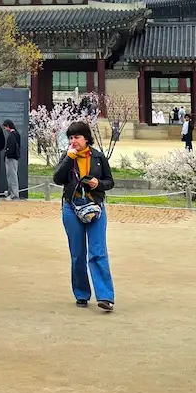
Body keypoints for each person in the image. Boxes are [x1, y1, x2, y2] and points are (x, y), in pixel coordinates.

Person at [54, 120, 115, 310]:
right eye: (71, 137)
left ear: (86, 138)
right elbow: (57, 179)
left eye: (77, 137)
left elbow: (110, 181)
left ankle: (105, 296)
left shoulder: (98, 157)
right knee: (77, 254)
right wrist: (69, 158)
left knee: (98, 252)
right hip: (71, 208)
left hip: (95, 207)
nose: (74, 141)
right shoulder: (67, 156)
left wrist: (99, 184)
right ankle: (81, 294)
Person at [1, 119, 22, 200]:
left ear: (8, 126)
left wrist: (7, 154)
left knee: (12, 176)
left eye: (5, 127)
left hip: (11, 158)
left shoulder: (12, 135)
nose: (5, 129)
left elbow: (12, 148)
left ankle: (14, 195)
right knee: (10, 175)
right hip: (13, 157)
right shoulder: (16, 134)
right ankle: (11, 192)